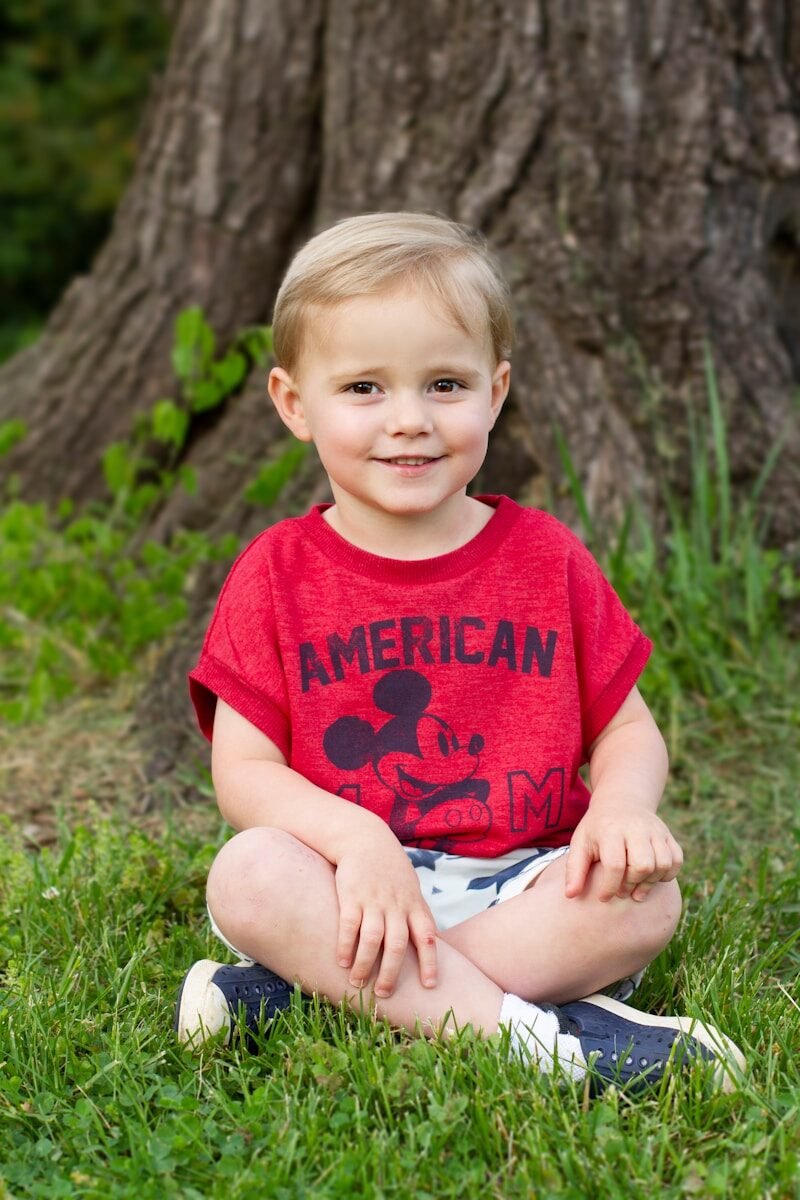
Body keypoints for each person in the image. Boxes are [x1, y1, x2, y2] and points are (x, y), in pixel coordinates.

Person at [174, 212, 745, 1091]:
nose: (409, 421)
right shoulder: (277, 574)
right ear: (294, 404)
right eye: (364, 389)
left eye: (445, 384)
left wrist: (622, 810)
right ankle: (542, 1042)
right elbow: (244, 773)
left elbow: (628, 731)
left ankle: (308, 1000)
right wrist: (357, 838)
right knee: (247, 874)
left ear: (497, 389)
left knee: (645, 899)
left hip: (522, 885)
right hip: (342, 884)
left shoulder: (545, 556)